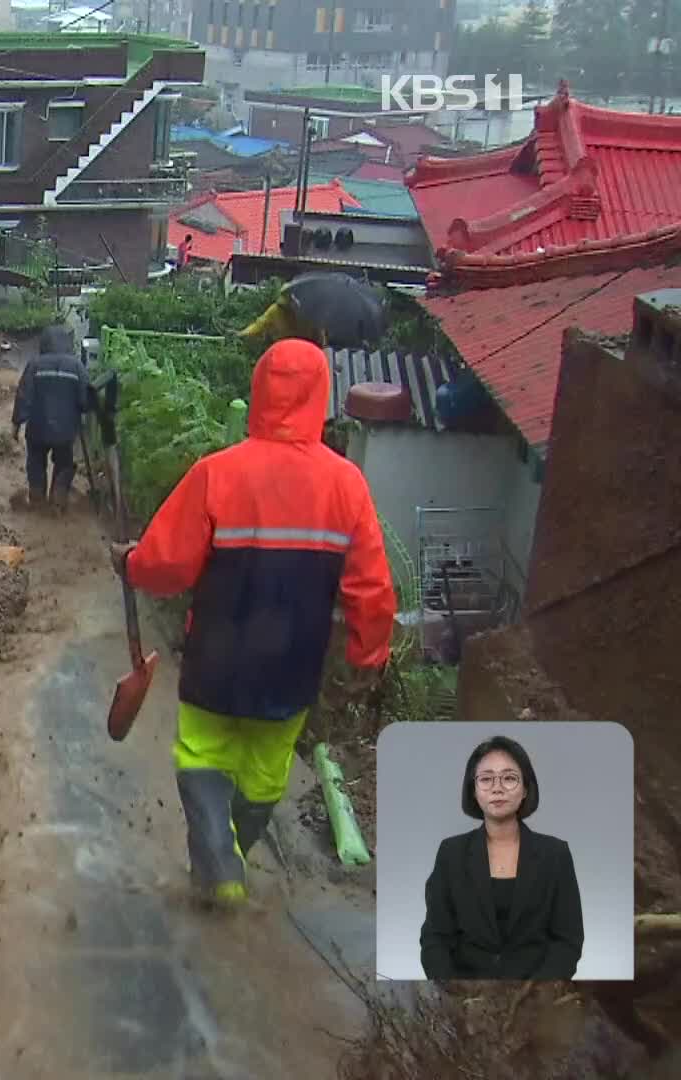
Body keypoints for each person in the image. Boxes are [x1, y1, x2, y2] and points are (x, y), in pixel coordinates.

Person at [109, 337, 396, 907]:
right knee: (265, 771)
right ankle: (230, 855)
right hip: (293, 665)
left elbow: (167, 563)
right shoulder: (348, 486)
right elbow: (372, 588)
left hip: (217, 655)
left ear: (259, 390)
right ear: (322, 397)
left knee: (202, 754)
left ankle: (219, 864)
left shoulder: (218, 473)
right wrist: (368, 657)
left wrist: (130, 563)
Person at [419, 735, 584, 980]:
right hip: (463, 995)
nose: (497, 788)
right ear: (473, 790)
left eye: (509, 778)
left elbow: (568, 940)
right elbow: (435, 937)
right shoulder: (451, 853)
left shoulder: (555, 854)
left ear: (526, 788)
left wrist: (537, 993)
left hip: (536, 994)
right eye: (486, 779)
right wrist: (453, 990)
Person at [12, 324, 90, 513]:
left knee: (36, 462)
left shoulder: (35, 365)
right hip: (66, 430)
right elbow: (86, 400)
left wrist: (16, 424)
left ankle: (37, 497)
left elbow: (23, 396)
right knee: (65, 463)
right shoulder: (77, 366)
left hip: (37, 428)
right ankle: (58, 497)